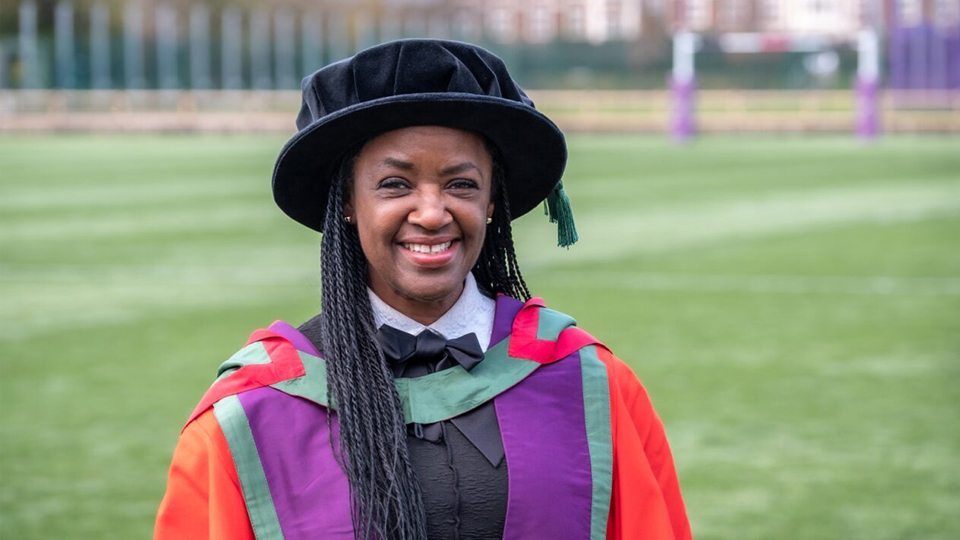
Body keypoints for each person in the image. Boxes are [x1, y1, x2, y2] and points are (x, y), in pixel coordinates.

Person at [154, 39, 691, 540]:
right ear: (345, 202)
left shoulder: (587, 383)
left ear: (490, 202)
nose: (433, 213)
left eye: (461, 183)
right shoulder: (254, 410)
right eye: (395, 184)